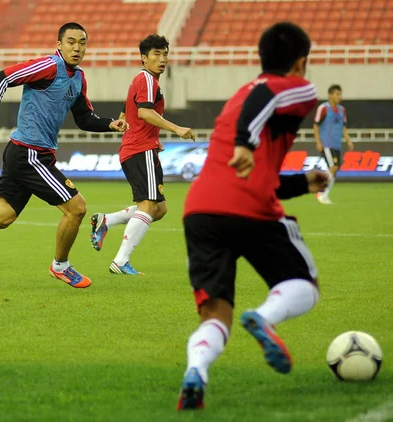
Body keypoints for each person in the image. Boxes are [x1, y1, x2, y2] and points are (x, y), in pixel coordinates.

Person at [177, 22, 330, 411]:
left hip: (201, 211)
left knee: (215, 315)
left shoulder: (236, 99)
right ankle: (264, 318)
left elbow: (251, 172)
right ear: (300, 61)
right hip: (251, 210)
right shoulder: (294, 87)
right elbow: (266, 95)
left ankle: (196, 371)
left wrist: (301, 183)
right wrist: (246, 143)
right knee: (304, 284)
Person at [0, 22, 128, 289]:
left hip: (30, 154)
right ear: (59, 44)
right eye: (71, 42)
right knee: (77, 208)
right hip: (29, 154)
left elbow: (84, 118)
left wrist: (110, 124)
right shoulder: (48, 66)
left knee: (1, 217)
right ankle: (60, 266)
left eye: (82, 42)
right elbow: (2, 77)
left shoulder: (78, 78)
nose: (77, 47)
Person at [89, 34, 194, 275]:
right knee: (148, 205)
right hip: (139, 150)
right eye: (156, 54)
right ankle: (121, 261)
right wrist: (176, 129)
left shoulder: (145, 81)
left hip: (141, 148)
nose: (162, 59)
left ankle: (106, 221)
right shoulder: (147, 79)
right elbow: (144, 112)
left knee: (160, 209)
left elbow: (128, 111)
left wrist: (151, 138)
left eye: (165, 54)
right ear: (144, 58)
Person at [313, 84, 354, 204]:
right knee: (333, 167)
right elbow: (316, 125)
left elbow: (343, 127)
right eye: (337, 94)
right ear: (330, 95)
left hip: (337, 144)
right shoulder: (323, 108)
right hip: (326, 143)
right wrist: (318, 142)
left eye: (340, 94)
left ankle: (323, 194)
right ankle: (321, 193)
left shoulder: (342, 110)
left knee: (335, 170)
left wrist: (348, 140)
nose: (339, 96)